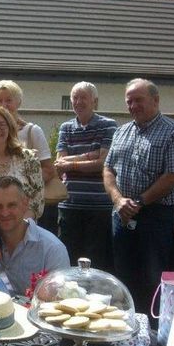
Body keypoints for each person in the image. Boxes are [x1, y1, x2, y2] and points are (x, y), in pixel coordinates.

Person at [103, 78, 174, 315]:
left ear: (155, 100)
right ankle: (126, 325)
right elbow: (108, 169)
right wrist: (118, 200)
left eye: (138, 100)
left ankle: (153, 329)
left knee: (152, 278)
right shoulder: (121, 131)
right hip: (121, 214)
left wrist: (139, 201)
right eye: (129, 101)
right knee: (122, 277)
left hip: (155, 217)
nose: (133, 106)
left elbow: (173, 175)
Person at [55, 82, 117, 271]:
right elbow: (59, 163)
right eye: (75, 97)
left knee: (96, 263)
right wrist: (90, 155)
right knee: (68, 261)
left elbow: (103, 163)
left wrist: (71, 164)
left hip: (99, 207)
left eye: (83, 97)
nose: (78, 102)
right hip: (69, 205)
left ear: (94, 102)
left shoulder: (108, 125)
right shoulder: (66, 127)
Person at [0, 176, 70, 295]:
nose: (5, 213)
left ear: (25, 204)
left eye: (12, 205)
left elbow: (61, 298)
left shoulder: (52, 249)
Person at [0, 80, 55, 183]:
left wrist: (23, 186)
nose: (3, 105)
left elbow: (49, 170)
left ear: (18, 102)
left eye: (8, 100)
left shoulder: (33, 131)